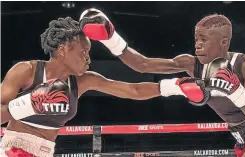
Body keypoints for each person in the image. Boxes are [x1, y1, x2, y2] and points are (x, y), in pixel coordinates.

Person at [0, 17, 209, 157]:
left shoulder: (83, 81)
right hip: (14, 148)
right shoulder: (26, 71)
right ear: (63, 49)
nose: (88, 58)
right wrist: (27, 104)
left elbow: (132, 90)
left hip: (46, 151)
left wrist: (175, 86)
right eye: (83, 51)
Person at [79, 8, 245, 157]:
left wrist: (235, 89)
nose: (198, 44)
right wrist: (111, 38)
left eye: (204, 39)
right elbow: (142, 64)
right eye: (196, 39)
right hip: (241, 137)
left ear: (223, 42)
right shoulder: (191, 64)